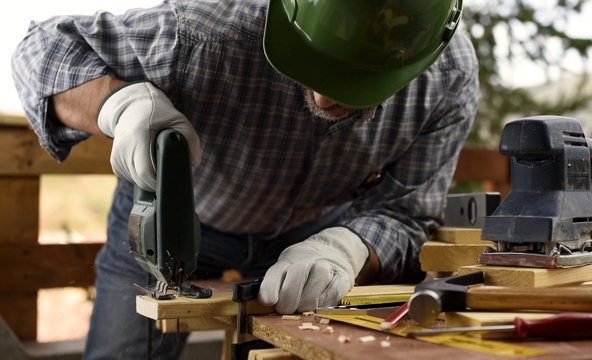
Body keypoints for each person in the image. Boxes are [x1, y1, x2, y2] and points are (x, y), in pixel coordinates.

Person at [12, 0, 478, 358]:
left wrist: (346, 248)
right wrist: (118, 105)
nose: (323, 94)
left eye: (357, 78)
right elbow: (43, 52)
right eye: (314, 63)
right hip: (176, 220)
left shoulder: (449, 76)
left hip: (314, 238)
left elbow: (406, 210)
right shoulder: (206, 29)